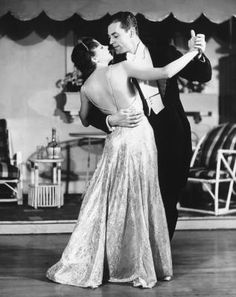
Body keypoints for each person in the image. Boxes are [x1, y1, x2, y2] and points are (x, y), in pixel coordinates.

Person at [46, 36, 201, 288]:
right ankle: (140, 266)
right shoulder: (121, 68)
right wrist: (192, 52)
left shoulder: (85, 87)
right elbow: (164, 71)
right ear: (95, 57)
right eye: (102, 47)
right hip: (139, 139)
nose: (108, 47)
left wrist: (112, 118)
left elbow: (85, 119)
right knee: (142, 199)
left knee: (112, 201)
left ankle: (112, 262)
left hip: (116, 143)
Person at [86, 12, 212, 240]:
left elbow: (201, 75)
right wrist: (110, 120)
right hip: (134, 142)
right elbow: (91, 111)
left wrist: (198, 53)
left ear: (131, 32)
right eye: (109, 38)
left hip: (171, 136)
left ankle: (160, 257)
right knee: (134, 201)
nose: (110, 42)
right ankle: (136, 257)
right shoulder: (111, 64)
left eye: (115, 36)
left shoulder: (162, 51)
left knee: (168, 197)